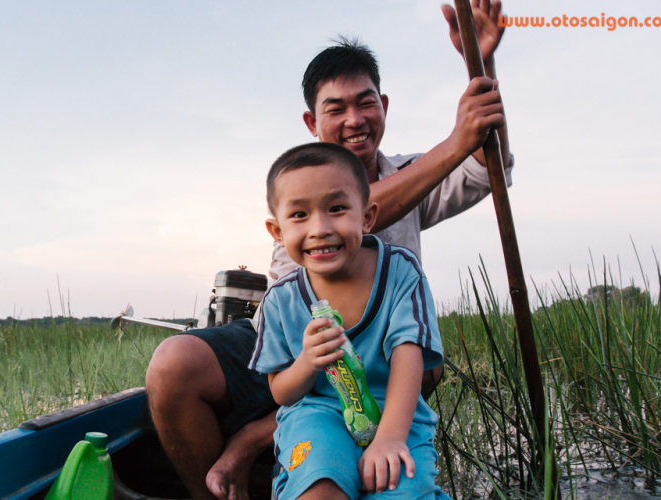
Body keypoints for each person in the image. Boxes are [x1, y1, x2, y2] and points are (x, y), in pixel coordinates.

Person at [145, 2, 510, 499]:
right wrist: (454, 143)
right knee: (173, 365)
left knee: (427, 361)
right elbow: (351, 208)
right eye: (336, 109)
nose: (354, 119)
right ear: (311, 120)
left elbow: (489, 167)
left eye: (366, 103)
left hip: (381, 357)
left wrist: (480, 65)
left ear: (384, 105)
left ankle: (260, 438)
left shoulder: (411, 173)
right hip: (294, 347)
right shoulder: (300, 182)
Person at [252, 142, 449, 500]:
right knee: (319, 489)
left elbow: (409, 361)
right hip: (320, 413)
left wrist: (388, 439)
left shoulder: (401, 273)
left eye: (338, 209)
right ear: (277, 232)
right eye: (299, 215)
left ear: (367, 216)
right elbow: (281, 391)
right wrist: (307, 362)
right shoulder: (280, 300)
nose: (320, 228)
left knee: (400, 490)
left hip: (395, 411)